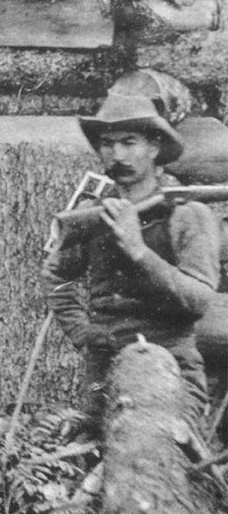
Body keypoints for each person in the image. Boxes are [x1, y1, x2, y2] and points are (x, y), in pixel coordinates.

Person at [42, 93, 219, 430]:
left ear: (154, 147)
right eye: (107, 144)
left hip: (171, 371)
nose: (117, 154)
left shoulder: (186, 215)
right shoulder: (92, 216)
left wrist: (139, 251)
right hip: (104, 372)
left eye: (129, 142)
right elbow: (56, 276)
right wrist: (84, 333)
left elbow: (199, 300)